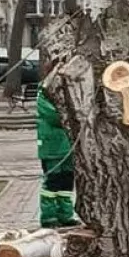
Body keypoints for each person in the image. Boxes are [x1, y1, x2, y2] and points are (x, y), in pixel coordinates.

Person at [37, 87, 78, 228]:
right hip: (51, 146)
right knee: (52, 182)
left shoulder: (67, 88)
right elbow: (54, 116)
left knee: (66, 181)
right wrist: (73, 114)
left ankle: (65, 214)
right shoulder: (44, 92)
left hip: (68, 146)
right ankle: (48, 216)